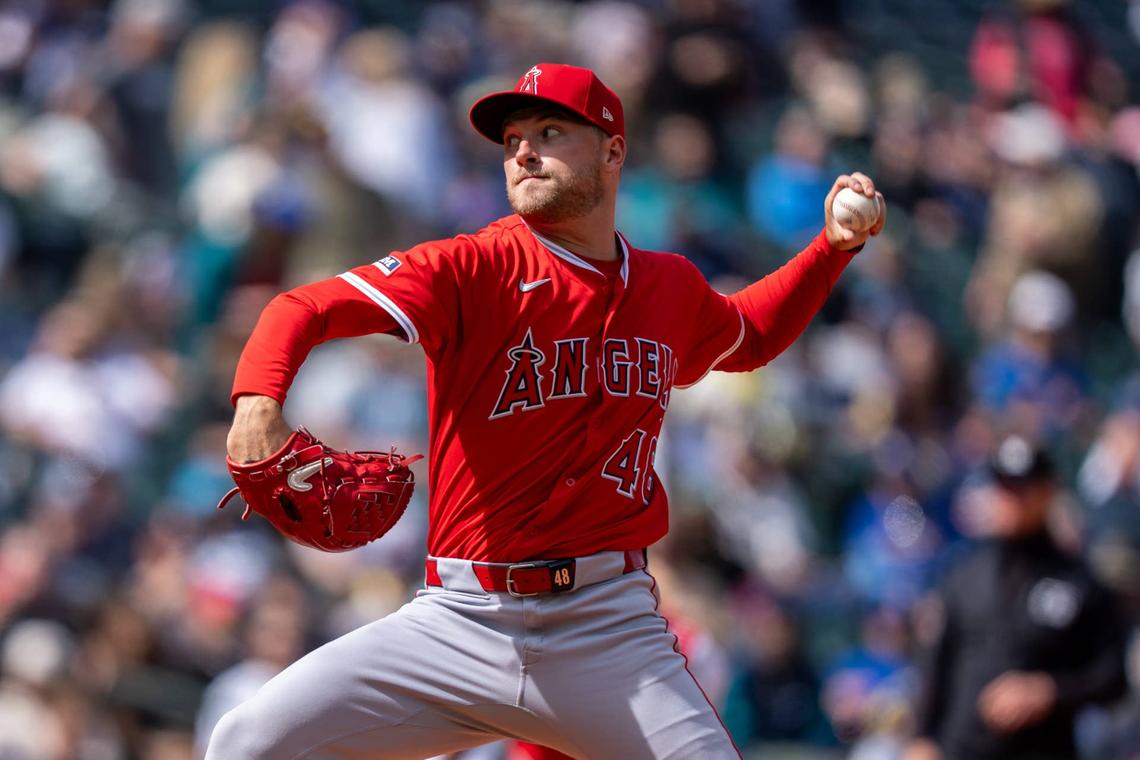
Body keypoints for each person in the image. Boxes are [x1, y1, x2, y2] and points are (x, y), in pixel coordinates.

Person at [206, 62, 885, 760]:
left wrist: (831, 251)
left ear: (614, 151)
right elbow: (302, 307)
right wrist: (257, 402)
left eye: (550, 131)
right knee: (247, 740)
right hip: (463, 618)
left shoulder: (669, 287)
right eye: (511, 140)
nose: (523, 151)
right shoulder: (474, 268)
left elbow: (750, 335)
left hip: (606, 626)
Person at [907, 434, 1130, 760]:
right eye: (1003, 487)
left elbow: (1112, 679)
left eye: (1022, 487)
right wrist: (923, 738)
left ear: (1048, 492)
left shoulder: (1079, 582)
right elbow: (936, 665)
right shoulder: (963, 575)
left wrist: (1049, 691)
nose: (1011, 498)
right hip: (963, 749)